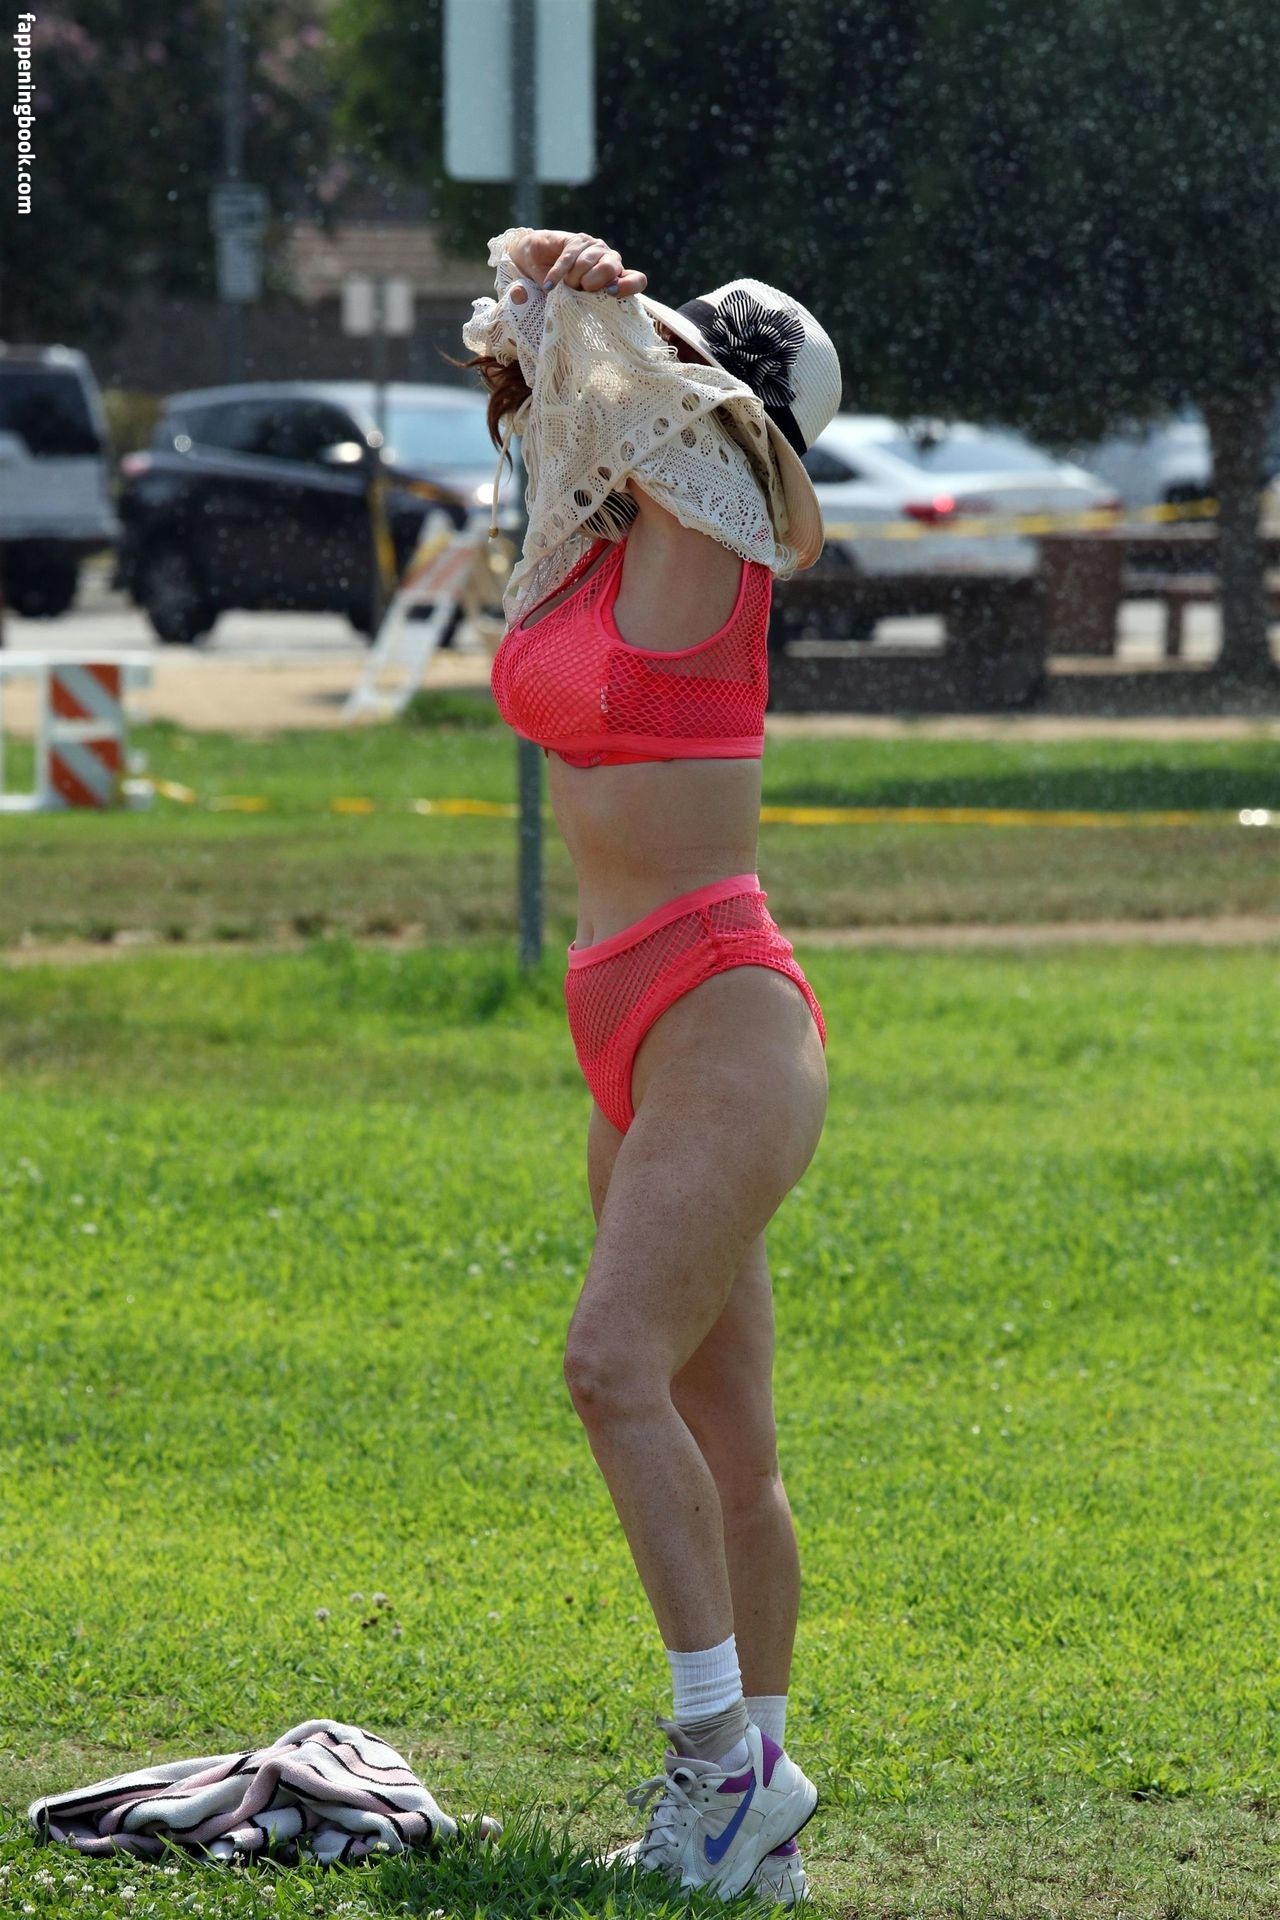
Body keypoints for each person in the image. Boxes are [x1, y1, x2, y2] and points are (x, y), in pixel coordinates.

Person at [460, 227, 842, 1904]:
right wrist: (555, 297)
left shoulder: (719, 520)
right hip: (620, 1013)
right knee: (728, 1446)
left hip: (717, 1007)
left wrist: (615, 312)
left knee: (610, 1367)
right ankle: (758, 1834)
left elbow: (672, 406)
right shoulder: (609, 534)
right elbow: (532, 360)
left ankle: (720, 1768)